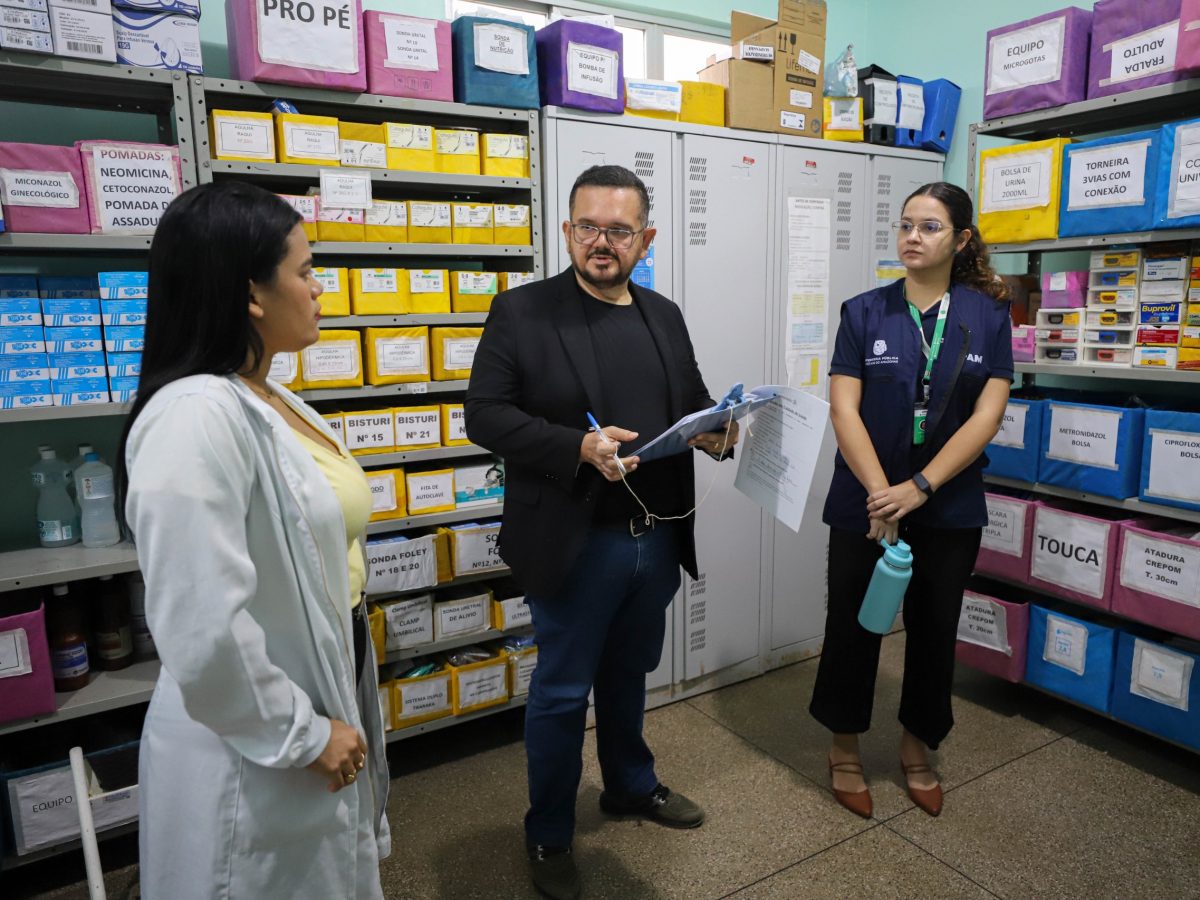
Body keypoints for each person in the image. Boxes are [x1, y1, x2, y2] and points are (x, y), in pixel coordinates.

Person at [465, 164, 737, 900]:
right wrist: (576, 446)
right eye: (587, 226)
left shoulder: (663, 314)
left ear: (645, 238)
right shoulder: (522, 311)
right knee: (560, 693)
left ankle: (630, 785)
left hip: (652, 535)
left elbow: (692, 400)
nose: (601, 242)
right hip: (576, 539)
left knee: (628, 675)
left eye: (619, 230)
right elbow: (484, 415)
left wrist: (718, 429)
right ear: (566, 230)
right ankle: (550, 833)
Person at [117, 181, 390, 898]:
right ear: (250, 295)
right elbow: (201, 624)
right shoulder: (193, 417)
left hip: (319, 679)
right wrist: (301, 734)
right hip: (252, 742)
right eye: (304, 271)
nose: (319, 287)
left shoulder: (262, 393)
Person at [808, 181, 1012, 820]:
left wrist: (920, 488)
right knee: (853, 625)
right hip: (867, 505)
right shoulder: (864, 311)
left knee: (933, 630)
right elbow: (843, 406)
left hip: (946, 507)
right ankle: (844, 748)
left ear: (961, 239)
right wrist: (881, 494)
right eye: (905, 226)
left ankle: (918, 748)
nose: (912, 238)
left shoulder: (987, 316)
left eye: (928, 227)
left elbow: (988, 414)